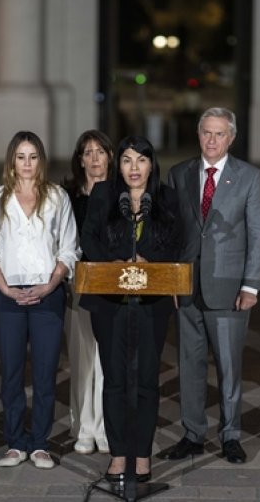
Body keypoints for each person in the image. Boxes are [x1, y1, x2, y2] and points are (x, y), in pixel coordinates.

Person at [165, 107, 260, 464]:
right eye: (206, 133)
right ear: (198, 135)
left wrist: (251, 285)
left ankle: (230, 436)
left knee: (229, 366)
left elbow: (257, 234)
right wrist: (174, 281)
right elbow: (173, 234)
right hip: (188, 287)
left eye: (219, 134)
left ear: (231, 137)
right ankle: (193, 434)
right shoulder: (179, 174)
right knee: (189, 364)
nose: (211, 140)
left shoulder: (249, 178)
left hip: (229, 288)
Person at [80, 135, 182, 483]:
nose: (133, 168)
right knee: (115, 381)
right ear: (117, 164)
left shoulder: (166, 198)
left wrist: (148, 261)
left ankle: (142, 454)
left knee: (146, 382)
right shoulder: (103, 195)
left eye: (141, 160)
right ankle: (118, 454)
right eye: (126, 160)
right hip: (110, 304)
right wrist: (117, 261)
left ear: (152, 164)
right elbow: (89, 238)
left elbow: (176, 242)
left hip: (150, 305)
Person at [0, 131, 78, 470]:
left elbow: (68, 247)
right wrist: (4, 289)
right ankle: (16, 443)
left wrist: (50, 285)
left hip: (47, 295)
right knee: (12, 372)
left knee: (47, 372)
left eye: (33, 156)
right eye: (21, 156)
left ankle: (40, 444)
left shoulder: (57, 197)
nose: (27, 163)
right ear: (11, 160)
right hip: (9, 297)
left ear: (41, 160)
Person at [62, 130, 115, 455]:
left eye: (100, 151)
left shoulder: (122, 193)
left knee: (109, 360)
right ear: (80, 159)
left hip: (112, 283)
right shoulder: (68, 196)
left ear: (109, 156)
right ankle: (83, 427)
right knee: (82, 358)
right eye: (88, 152)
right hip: (79, 283)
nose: (95, 158)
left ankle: (106, 428)